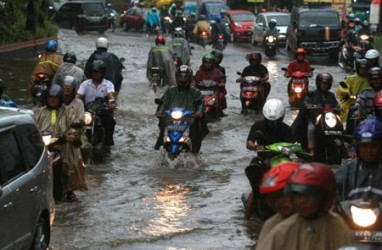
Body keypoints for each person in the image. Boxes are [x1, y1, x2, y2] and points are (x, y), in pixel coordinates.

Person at [259, 162, 354, 250]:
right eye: (273, 199)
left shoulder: (336, 225)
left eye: (306, 196)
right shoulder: (279, 228)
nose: (302, 201)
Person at [244, 98, 296, 220]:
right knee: (255, 189)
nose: (273, 124)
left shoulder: (287, 130)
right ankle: (246, 219)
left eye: (276, 122)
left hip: (282, 162)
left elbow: (293, 146)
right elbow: (249, 143)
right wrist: (255, 147)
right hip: (263, 162)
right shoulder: (258, 126)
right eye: (270, 121)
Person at [35, 84, 87, 202]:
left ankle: (70, 190)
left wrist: (72, 136)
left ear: (60, 99)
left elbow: (76, 125)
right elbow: (33, 127)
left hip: (64, 145)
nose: (53, 101)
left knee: (71, 163)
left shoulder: (68, 111)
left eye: (55, 98)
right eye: (50, 98)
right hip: (44, 144)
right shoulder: (39, 112)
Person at [154, 65, 209, 152]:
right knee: (162, 127)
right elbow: (163, 102)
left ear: (190, 78)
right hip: (171, 118)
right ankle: (160, 143)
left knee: (195, 128)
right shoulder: (170, 91)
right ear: (176, 78)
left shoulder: (195, 92)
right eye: (180, 77)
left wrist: (199, 112)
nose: (182, 80)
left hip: (189, 119)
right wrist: (160, 111)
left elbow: (201, 103)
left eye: (185, 77)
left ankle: (194, 151)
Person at [336, 117, 382, 201]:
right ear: (358, 147)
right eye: (364, 146)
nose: (368, 150)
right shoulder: (346, 170)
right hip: (350, 213)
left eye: (373, 146)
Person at [291, 73, 339, 154]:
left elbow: (336, 105)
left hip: (328, 120)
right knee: (311, 129)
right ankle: (311, 148)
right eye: (323, 84)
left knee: (338, 127)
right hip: (315, 120)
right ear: (318, 83)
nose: (324, 85)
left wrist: (338, 108)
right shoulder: (312, 94)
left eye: (326, 84)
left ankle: (341, 147)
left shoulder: (331, 95)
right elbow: (305, 102)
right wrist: (308, 105)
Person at [255, 162, 300, 247]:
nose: (279, 202)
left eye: (283, 196)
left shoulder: (324, 221)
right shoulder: (271, 225)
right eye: (273, 199)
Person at [77, 60, 117, 154]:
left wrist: (112, 104)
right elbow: (78, 96)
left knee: (111, 121)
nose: (95, 74)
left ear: (102, 72)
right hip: (88, 111)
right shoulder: (85, 84)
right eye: (94, 72)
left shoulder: (108, 84)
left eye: (98, 72)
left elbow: (110, 95)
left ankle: (107, 144)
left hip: (102, 111)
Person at [336, 59, 369, 123]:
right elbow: (343, 88)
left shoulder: (370, 80)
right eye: (361, 68)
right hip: (350, 101)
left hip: (366, 103)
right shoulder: (351, 78)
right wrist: (346, 93)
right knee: (340, 111)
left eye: (365, 69)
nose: (363, 70)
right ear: (358, 68)